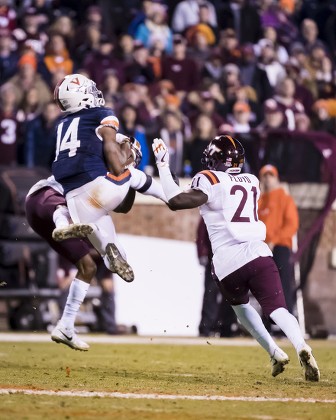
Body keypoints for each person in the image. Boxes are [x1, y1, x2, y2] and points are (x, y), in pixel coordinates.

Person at [151, 135, 320, 381]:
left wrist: (163, 166)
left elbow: (176, 201)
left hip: (228, 262)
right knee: (278, 308)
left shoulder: (208, 178)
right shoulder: (252, 181)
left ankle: (273, 352)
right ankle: (301, 346)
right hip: (258, 252)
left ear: (215, 160)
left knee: (241, 309)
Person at [50, 74, 168, 346]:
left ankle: (66, 324)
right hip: (99, 188)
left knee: (114, 255)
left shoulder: (62, 124)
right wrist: (127, 164)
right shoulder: (102, 114)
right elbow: (111, 153)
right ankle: (169, 197)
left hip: (75, 198)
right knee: (133, 175)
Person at [258, 164, 299, 315]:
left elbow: (291, 225)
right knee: (264, 286)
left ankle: (285, 325)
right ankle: (268, 323)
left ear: (277, 178)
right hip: (262, 248)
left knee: (283, 285)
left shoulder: (284, 198)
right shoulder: (259, 201)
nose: (268, 179)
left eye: (271, 175)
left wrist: (274, 240)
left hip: (280, 247)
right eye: (265, 176)